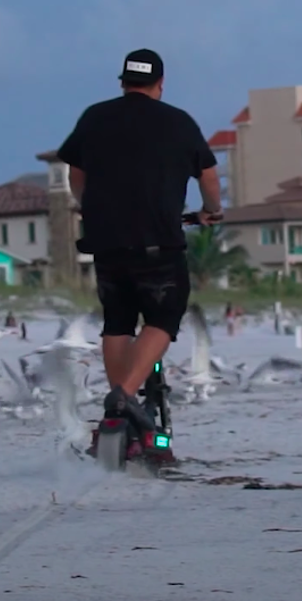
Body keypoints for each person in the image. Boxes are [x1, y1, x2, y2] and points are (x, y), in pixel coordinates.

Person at [56, 48, 222, 432]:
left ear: (123, 82)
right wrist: (210, 211)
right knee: (165, 314)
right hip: (158, 243)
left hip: (106, 242)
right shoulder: (178, 122)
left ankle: (117, 418)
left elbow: (75, 175)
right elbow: (209, 178)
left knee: (118, 321)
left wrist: (90, 209)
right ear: (160, 85)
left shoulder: (95, 117)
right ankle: (125, 396)